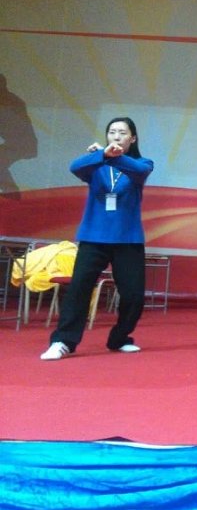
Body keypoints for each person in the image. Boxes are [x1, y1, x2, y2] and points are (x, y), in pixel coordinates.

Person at [40, 117, 154, 360]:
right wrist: (101, 155)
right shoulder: (96, 163)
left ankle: (119, 338)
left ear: (133, 138)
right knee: (79, 290)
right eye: (112, 132)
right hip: (94, 237)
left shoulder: (141, 164)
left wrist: (112, 156)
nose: (116, 136)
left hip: (128, 239)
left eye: (122, 132)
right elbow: (75, 166)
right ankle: (63, 341)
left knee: (133, 296)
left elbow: (141, 171)